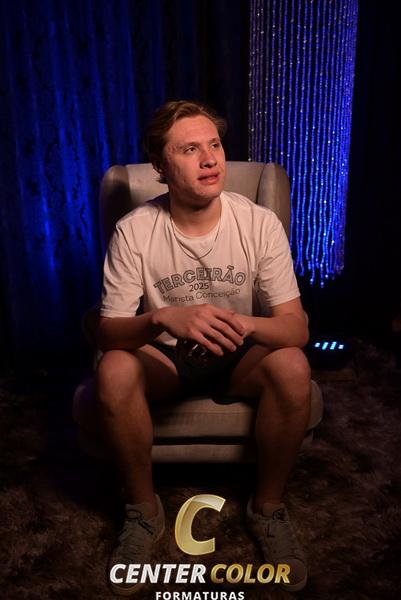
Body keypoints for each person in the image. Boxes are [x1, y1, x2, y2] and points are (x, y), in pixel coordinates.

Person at [96, 100, 311, 594]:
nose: (211, 159)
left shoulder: (258, 223)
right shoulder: (135, 230)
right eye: (190, 149)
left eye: (214, 145)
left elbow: (295, 329)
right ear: (161, 166)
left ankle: (268, 508)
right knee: (113, 370)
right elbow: (107, 332)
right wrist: (162, 318)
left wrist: (238, 323)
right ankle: (143, 511)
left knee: (293, 365)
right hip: (166, 360)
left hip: (240, 356)